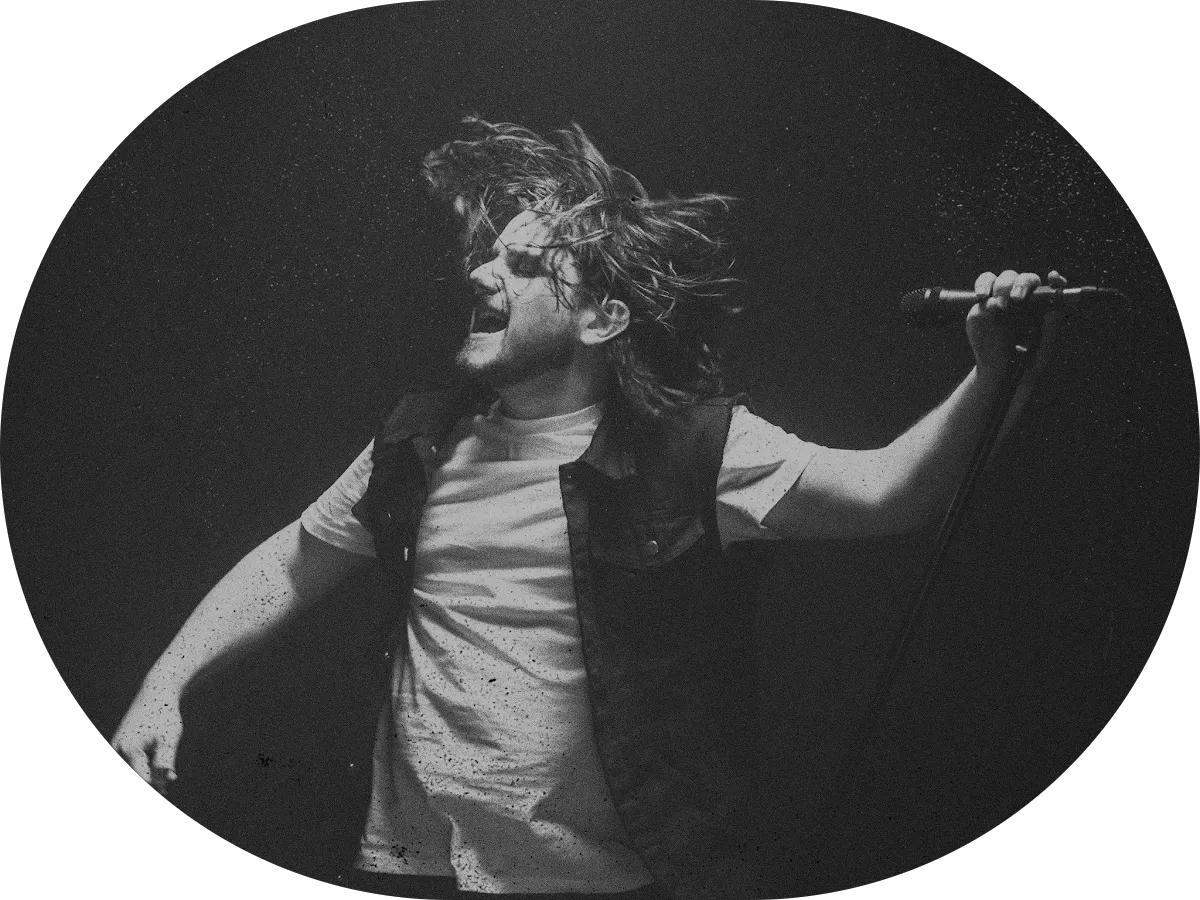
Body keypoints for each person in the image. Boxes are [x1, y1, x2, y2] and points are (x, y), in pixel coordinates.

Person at [112, 117, 1063, 899]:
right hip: (415, 867)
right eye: (489, 256)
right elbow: (290, 564)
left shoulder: (695, 448)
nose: (481, 275)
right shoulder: (419, 438)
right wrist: (165, 685)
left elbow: (896, 493)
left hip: (605, 883)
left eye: (526, 265)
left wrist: (995, 372)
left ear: (602, 317)